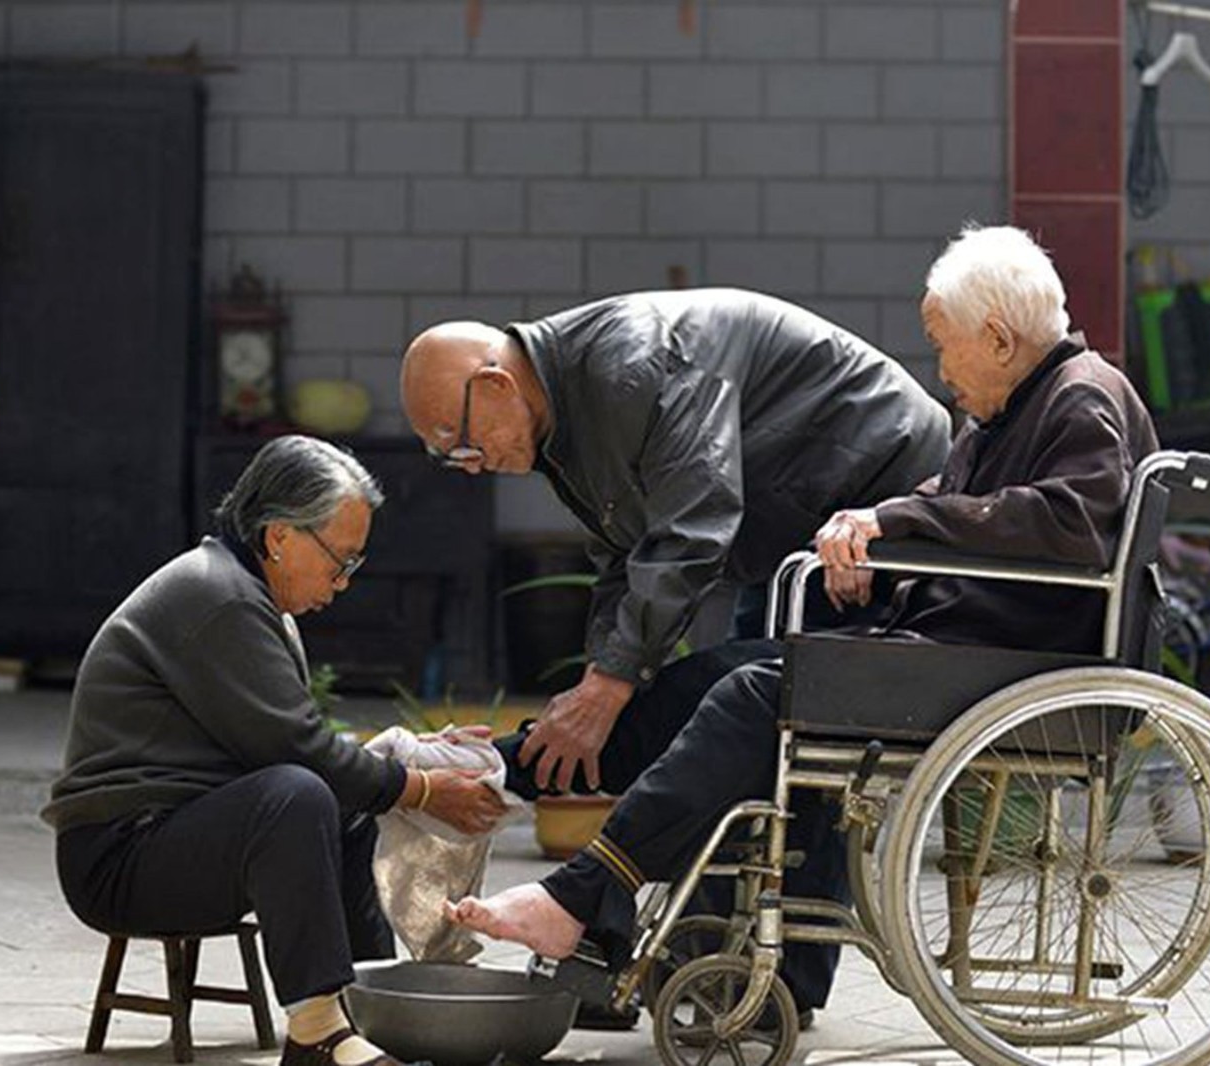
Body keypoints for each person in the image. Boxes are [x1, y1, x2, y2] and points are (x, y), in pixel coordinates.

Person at [442, 226, 1162, 1021]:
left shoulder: (1082, 396)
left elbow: (1068, 522)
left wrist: (893, 522)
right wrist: (873, 532)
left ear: (997, 338)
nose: (940, 368)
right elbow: (963, 510)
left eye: (943, 346)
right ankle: (544, 823)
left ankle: (586, 893)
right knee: (703, 683)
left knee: (754, 696)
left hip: (997, 664)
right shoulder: (1011, 412)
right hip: (950, 642)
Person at [43, 435, 506, 1066]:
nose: (342, 583)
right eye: (338, 561)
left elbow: (284, 740)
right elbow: (297, 751)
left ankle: (373, 1009)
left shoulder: (244, 594)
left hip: (180, 833)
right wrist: (420, 787)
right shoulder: (221, 596)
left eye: (353, 566)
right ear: (280, 536)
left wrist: (407, 758)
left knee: (331, 804)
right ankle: (317, 1029)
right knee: (297, 795)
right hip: (120, 855)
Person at [400, 288, 951, 798]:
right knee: (734, 718)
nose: (467, 466)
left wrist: (608, 688)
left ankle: (797, 900)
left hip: (875, 492)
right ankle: (748, 894)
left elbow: (694, 526)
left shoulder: (634, 365)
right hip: (789, 526)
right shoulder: (561, 410)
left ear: (497, 385)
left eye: (460, 442)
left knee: (783, 716)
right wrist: (597, 687)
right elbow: (625, 554)